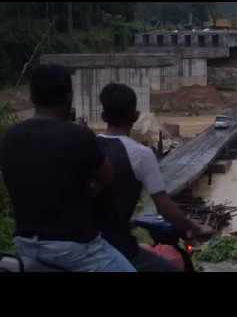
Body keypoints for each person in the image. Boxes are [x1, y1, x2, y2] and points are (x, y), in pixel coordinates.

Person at [0, 64, 136, 272]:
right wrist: (83, 193)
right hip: (75, 248)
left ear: (32, 97)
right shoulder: (79, 135)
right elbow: (107, 177)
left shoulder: (10, 137)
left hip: (25, 244)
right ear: (68, 95)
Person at [96, 83, 214, 272]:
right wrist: (194, 228)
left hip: (81, 241)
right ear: (135, 116)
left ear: (103, 116)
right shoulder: (141, 154)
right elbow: (164, 206)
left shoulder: (87, 145)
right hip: (117, 246)